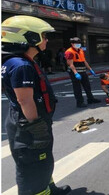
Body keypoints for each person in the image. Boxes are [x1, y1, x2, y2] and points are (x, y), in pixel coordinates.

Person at [1, 15, 71, 195]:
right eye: (43, 36)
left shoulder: (16, 62)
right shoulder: (20, 65)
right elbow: (25, 100)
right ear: (30, 38)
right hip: (29, 126)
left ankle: (49, 188)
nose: (46, 40)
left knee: (42, 161)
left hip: (28, 122)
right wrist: (36, 127)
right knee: (32, 167)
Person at [65, 37, 101, 108]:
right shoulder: (69, 52)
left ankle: (90, 99)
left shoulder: (81, 50)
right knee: (77, 88)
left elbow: (84, 61)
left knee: (87, 86)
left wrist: (90, 69)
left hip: (83, 71)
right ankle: (79, 102)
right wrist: (76, 73)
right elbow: (70, 64)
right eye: (76, 43)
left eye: (79, 43)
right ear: (72, 44)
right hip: (75, 73)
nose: (78, 45)